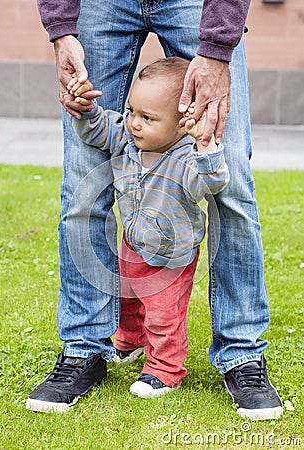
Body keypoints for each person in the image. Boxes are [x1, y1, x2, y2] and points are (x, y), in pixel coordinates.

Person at [27, 0, 283, 420]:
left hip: (199, 5)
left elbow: (217, 175)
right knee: (82, 184)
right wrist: (60, 27)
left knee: (229, 175)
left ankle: (241, 354)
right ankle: (83, 348)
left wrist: (218, 46)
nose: (132, 121)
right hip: (98, 6)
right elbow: (103, 128)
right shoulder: (125, 129)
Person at [69, 56, 229, 398]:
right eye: (131, 112)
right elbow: (97, 128)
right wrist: (85, 110)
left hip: (172, 254)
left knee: (162, 313)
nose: (134, 124)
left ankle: (165, 369)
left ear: (184, 123)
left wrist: (206, 149)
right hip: (133, 240)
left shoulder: (185, 159)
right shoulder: (127, 140)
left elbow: (211, 182)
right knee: (126, 297)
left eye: (147, 118)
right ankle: (131, 341)